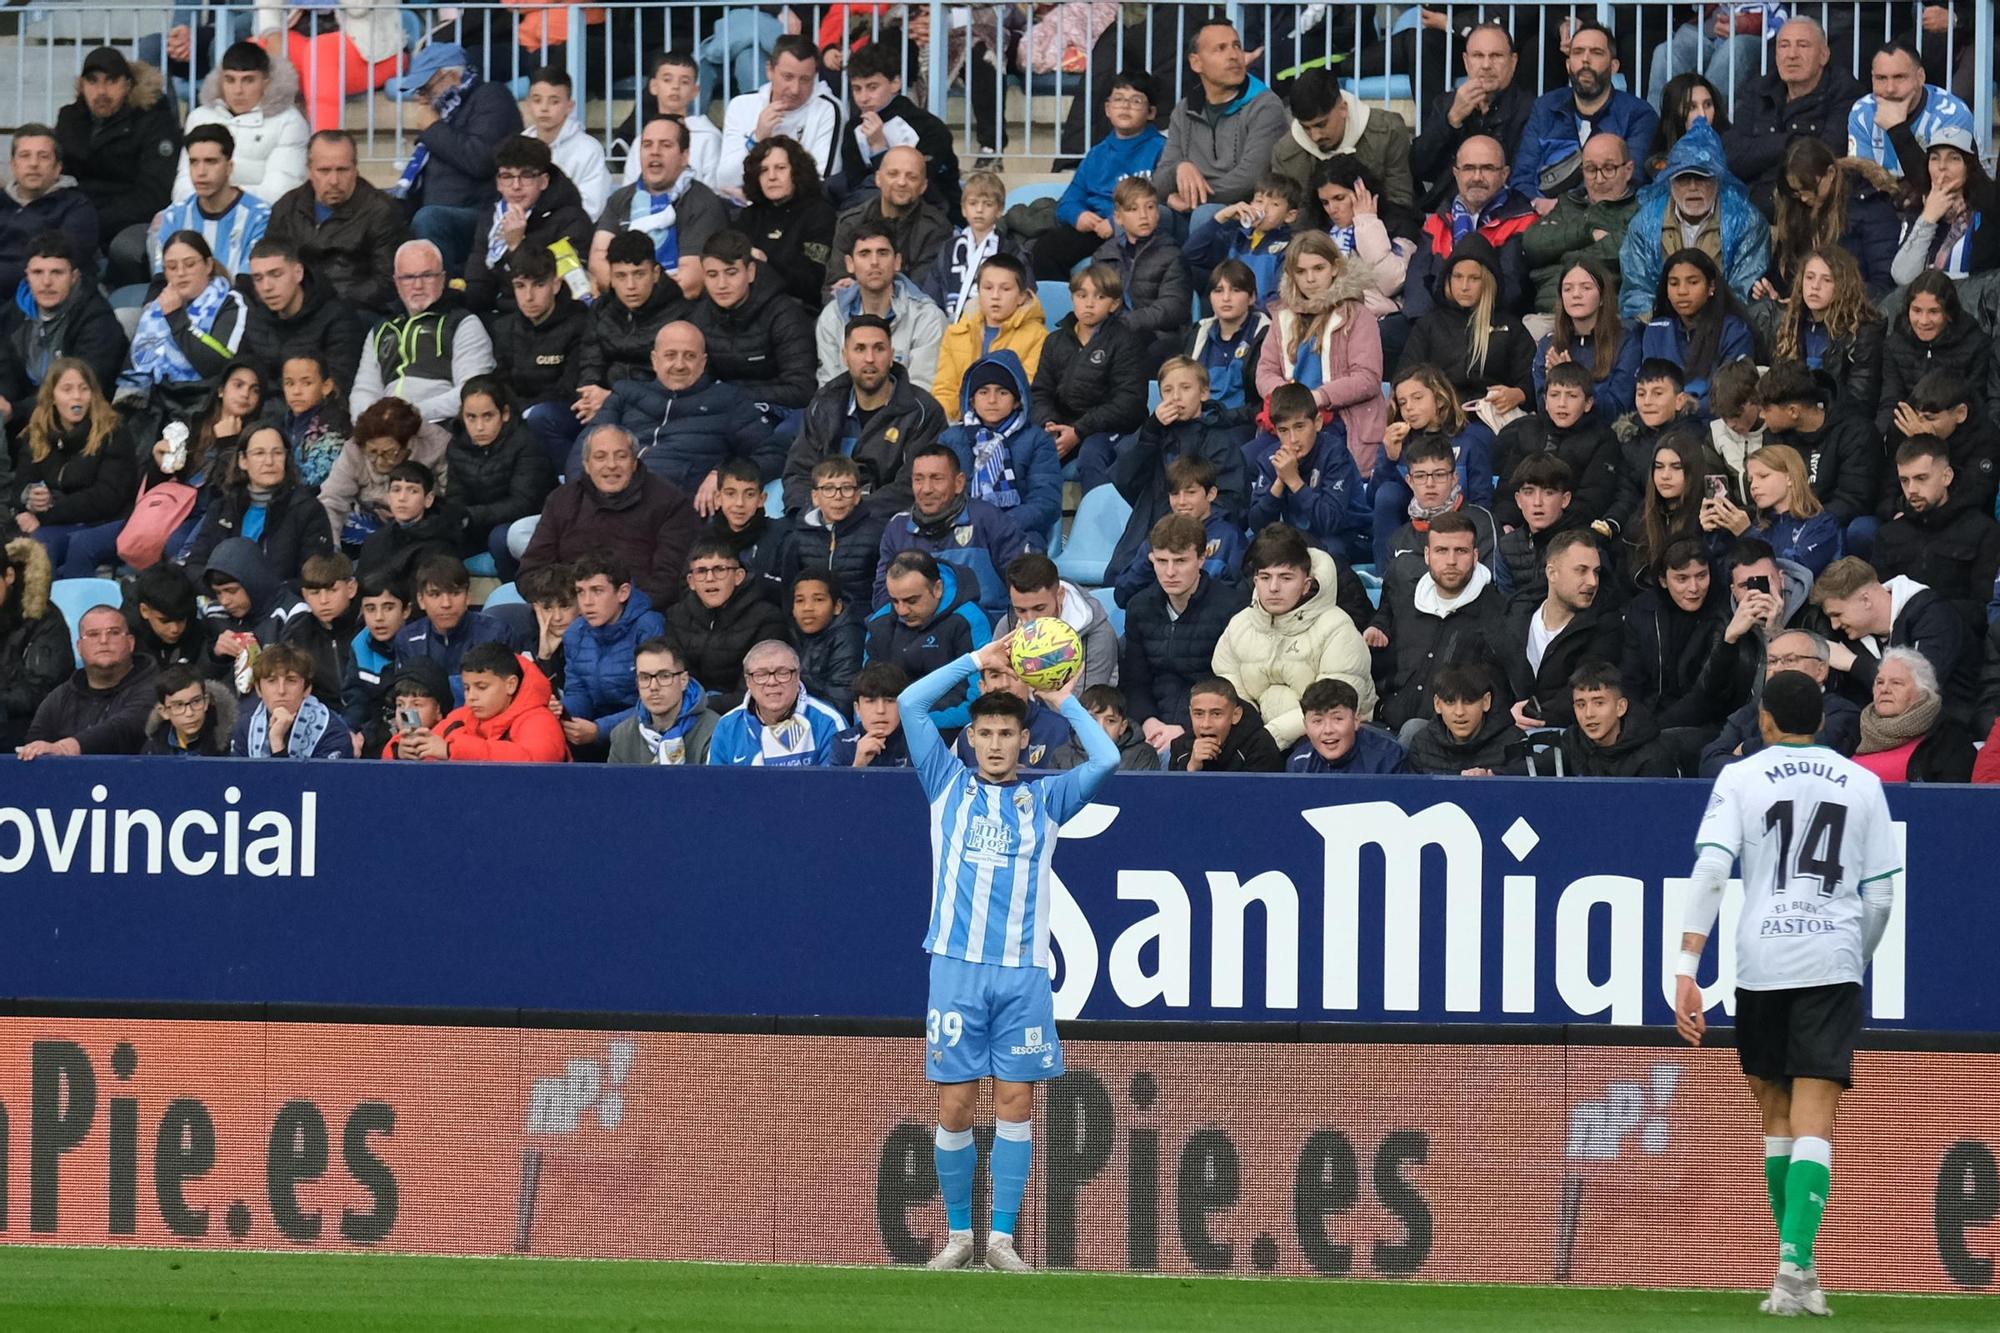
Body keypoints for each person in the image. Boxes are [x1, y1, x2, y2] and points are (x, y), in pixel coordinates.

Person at [1672, 669, 1900, 1318]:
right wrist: (1852, 956)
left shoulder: (1740, 777)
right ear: (1823, 721)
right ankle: (1796, 1262)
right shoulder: (1862, 783)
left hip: (1762, 959)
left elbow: (1712, 868)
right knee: (1816, 1118)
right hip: (1830, 957)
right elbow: (1882, 892)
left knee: (1774, 1113)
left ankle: (1793, 1266)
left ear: (1765, 720)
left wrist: (1687, 965)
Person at [898, 631, 1115, 1271]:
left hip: (1022, 975)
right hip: (955, 969)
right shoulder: (945, 785)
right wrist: (976, 661)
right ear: (971, 740)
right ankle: (959, 1237)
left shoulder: (1046, 798)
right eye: (985, 734)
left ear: (1024, 740)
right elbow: (910, 705)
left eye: (1006, 734)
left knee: (1016, 1102)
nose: (995, 744)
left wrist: (1062, 697)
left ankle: (1001, 1240)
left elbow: (1103, 760)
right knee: (956, 1103)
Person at [1213, 526, 1374, 750]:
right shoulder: (1239, 626)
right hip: (1257, 743)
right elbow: (1229, 690)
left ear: (1306, 584)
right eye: (1265, 577)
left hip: (1329, 746)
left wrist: (1267, 739)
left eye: (1286, 578)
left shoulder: (1338, 628)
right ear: (1255, 581)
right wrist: (1248, 734)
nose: (1274, 588)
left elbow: (1334, 705)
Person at [1252, 233, 1387, 490]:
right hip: (1288, 422)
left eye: (1318, 268)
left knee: (1314, 476)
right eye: (1301, 271)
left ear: (1335, 268)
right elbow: (1265, 370)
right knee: (1246, 462)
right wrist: (1286, 398)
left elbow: (1367, 378)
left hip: (1340, 423)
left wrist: (1316, 397)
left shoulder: (1357, 315)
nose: (1310, 279)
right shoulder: (1282, 317)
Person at [785, 315, 946, 521]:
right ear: (845, 356)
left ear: (891, 356)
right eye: (860, 349)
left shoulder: (922, 411)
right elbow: (799, 471)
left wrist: (850, 511)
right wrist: (809, 515)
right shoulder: (824, 403)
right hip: (823, 521)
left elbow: (911, 486)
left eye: (878, 349)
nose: (869, 358)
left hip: (887, 524)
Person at [520, 425, 701, 609]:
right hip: (568, 610)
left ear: (634, 462)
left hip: (636, 615)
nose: (611, 465)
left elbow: (668, 580)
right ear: (586, 465)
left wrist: (616, 611)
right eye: (600, 457)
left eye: (621, 456)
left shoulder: (670, 501)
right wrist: (570, 605)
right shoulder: (562, 499)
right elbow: (532, 570)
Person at [380, 43, 524, 273]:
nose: (421, 99)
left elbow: (480, 160)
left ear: (450, 77)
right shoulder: (444, 112)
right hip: (439, 209)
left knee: (430, 219)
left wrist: (433, 128)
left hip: (481, 213)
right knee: (376, 213)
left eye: (425, 89)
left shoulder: (492, 96)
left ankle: (440, 298)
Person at [1364, 510, 1510, 734]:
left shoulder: (1497, 613)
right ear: (1426, 555)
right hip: (1385, 725)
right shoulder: (1405, 598)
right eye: (1441, 551)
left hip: (1451, 741)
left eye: (1461, 551)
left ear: (1476, 555)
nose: (1451, 561)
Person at [1106, 357, 1249, 580]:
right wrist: (1151, 430)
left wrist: (1191, 523)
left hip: (1203, 535)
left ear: (1203, 393)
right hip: (1151, 530)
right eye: (1168, 390)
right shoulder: (1153, 433)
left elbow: (1234, 499)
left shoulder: (1220, 439)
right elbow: (1124, 477)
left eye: (1185, 388)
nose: (1176, 397)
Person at [1120, 514, 1249, 749]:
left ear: (1202, 558)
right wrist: (1149, 723)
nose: (1169, 572)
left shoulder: (1232, 608)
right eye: (1161, 561)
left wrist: (1186, 730)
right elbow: (1135, 682)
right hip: (1150, 729)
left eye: (1180, 561)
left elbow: (1236, 688)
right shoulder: (1139, 607)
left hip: (1209, 730)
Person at [1151, 20, 1289, 236]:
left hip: (1244, 213)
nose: (1234, 55)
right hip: (1193, 209)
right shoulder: (1185, 110)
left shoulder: (1265, 106)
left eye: (1236, 46)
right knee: (1146, 214)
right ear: (1196, 63)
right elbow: (1160, 181)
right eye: (1221, 48)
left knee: (1206, 216)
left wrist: (1192, 199)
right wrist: (1180, 167)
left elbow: (1249, 179)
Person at [1619, 121, 1769, 320]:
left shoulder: (1747, 222)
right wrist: (1666, 328)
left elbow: (1744, 291)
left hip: (1723, 329)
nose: (1692, 187)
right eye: (1683, 178)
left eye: (1701, 178)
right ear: (1670, 182)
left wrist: (1704, 328)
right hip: (1660, 327)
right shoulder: (1645, 224)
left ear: (1718, 179)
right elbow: (1637, 289)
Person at [56, 48, 180, 284]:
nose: (101, 91)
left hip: (129, 224)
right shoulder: (69, 119)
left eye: (111, 81)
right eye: (92, 82)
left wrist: (92, 221)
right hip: (76, 220)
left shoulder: (154, 121)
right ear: (82, 85)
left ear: (128, 84)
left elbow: (154, 194)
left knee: (125, 249)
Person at [1811, 555, 1975, 724]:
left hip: (1949, 731)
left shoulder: (1934, 616)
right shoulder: (1853, 637)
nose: (1834, 625)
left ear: (1866, 600)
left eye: (1837, 615)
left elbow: (1920, 690)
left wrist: (1853, 663)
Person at [12, 358, 137, 578]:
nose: (76, 397)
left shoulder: (113, 432)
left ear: (93, 395)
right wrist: (28, 500)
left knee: (81, 546)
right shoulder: (37, 433)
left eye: (83, 389)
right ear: (52, 397)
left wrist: (48, 511)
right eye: (67, 389)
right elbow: (21, 485)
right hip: (59, 522)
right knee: (38, 544)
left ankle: (77, 610)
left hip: (107, 521)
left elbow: (106, 498)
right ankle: (35, 608)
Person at [350, 241, 497, 426]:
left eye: (427, 275)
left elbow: (472, 392)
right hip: (384, 431)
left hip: (438, 426)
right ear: (396, 282)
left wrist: (410, 415)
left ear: (442, 278)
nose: (418, 285)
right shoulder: (381, 329)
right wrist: (369, 422)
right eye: (408, 277)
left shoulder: (463, 323)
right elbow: (364, 390)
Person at [1035, 75, 1167, 280]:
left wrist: (1117, 223)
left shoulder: (1161, 150)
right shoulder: (1097, 153)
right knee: (1045, 249)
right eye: (1119, 99)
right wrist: (1079, 215)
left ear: (1151, 112)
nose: (1125, 106)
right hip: (1095, 229)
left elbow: (1161, 204)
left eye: (1136, 100)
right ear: (1107, 109)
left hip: (1138, 230)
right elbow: (1068, 200)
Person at [264, 130, 408, 316]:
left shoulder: (382, 211)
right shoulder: (286, 208)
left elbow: (387, 283)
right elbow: (270, 264)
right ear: (309, 170)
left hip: (355, 312)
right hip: (295, 310)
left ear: (356, 169)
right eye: (324, 170)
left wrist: (325, 301)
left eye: (342, 170)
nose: (334, 180)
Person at [1722, 17, 1862, 206]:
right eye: (1784, 46)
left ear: (1824, 55)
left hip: (1806, 209)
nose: (1791, 55)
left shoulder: (1844, 92)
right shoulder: (1759, 90)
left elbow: (1823, 158)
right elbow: (1732, 155)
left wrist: (1761, 152)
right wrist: (1788, 143)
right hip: (1751, 207)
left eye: (1803, 46)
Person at [1515, 21, 1659, 203]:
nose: (1585, 59)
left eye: (1596, 52)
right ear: (1568, 64)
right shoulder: (1544, 108)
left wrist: (1566, 210)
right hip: (1542, 220)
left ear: (1614, 66)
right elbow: (1522, 178)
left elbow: (1631, 181)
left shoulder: (1638, 115)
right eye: (1577, 52)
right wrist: (1537, 204)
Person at [589, 116, 730, 300]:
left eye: (665, 145)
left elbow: (690, 282)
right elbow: (598, 260)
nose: (654, 152)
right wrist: (630, 292)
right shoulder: (620, 199)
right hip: (622, 308)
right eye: (647, 145)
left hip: (680, 313)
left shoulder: (703, 202)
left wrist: (632, 291)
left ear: (684, 156)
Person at [0, 233, 123, 441]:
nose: (46, 282)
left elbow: (85, 389)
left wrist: (15, 410)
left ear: (74, 276)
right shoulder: (13, 314)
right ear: (27, 275)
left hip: (81, 426)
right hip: (21, 422)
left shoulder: (97, 319)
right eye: (38, 272)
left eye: (57, 272)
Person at [1873, 438, 2000, 638]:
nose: (1911, 489)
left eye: (1921, 478)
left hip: (1961, 640)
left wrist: (1926, 614)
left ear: (1947, 476)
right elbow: (1879, 602)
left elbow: (1984, 608)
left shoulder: (1983, 531)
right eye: (1904, 480)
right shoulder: (1889, 534)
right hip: (1899, 641)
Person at [1399, 233, 1534, 419]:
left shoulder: (1511, 327)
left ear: (1488, 280)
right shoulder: (1429, 325)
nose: (1464, 286)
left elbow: (1532, 380)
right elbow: (1405, 377)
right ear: (1448, 279)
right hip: (1440, 421)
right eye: (1457, 276)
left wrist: (1519, 394)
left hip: (1493, 420)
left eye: (1474, 278)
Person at [688, 229, 817, 421]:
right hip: (717, 415)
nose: (721, 284)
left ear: (750, 272)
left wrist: (731, 395)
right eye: (712, 275)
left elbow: (802, 389)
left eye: (731, 273)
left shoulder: (785, 315)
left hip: (777, 416)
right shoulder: (698, 316)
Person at [113, 231, 251, 412]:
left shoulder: (231, 302)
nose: (181, 273)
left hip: (204, 403)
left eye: (190, 264)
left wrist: (175, 317)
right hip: (155, 404)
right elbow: (135, 364)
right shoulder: (155, 310)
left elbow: (217, 364)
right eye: (171, 267)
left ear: (208, 265)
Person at [1403, 136, 1537, 321]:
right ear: (1456, 173)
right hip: (1438, 322)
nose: (1477, 177)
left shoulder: (1523, 220)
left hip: (1494, 322)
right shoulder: (1438, 220)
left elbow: (1512, 289)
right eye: (1469, 168)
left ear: (1505, 174)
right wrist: (1426, 326)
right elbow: (1418, 282)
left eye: (1487, 168)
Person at [460, 137, 592, 320]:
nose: (516, 186)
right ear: (498, 183)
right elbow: (479, 284)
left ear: (544, 181)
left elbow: (567, 288)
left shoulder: (571, 219)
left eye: (526, 176)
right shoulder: (491, 218)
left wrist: (516, 246)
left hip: (553, 321)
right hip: (501, 319)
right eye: (507, 176)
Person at [475, 270, 579, 504]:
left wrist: (525, 411)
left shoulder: (578, 321)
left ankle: (570, 493)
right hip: (520, 411)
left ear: (555, 284)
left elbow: (570, 386)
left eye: (538, 285)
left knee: (539, 417)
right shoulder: (504, 327)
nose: (528, 296)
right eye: (520, 286)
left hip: (565, 410)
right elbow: (501, 382)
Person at [1756, 361, 1880, 551]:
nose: (1761, 416)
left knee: (1862, 529)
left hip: (1836, 524)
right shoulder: (1774, 436)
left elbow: (1853, 500)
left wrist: (1810, 526)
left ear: (1793, 412)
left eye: (1766, 409)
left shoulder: (1855, 431)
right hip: (1791, 522)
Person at [1699, 627, 1860, 775]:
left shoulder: (1841, 712)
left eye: (1790, 660)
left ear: (1821, 670)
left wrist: (1746, 747)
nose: (1777, 669)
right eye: (1772, 661)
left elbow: (1807, 756)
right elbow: (1710, 764)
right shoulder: (1749, 714)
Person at [1410, 24, 1534, 214]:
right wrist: (1452, 119)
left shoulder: (1530, 108)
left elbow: (1520, 174)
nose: (1486, 65)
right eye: (1478, 56)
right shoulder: (1446, 103)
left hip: (1505, 211)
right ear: (1466, 62)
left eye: (1496, 56)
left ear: (1513, 61)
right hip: (1446, 209)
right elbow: (1419, 166)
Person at [187, 424, 336, 581]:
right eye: (259, 453)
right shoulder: (222, 508)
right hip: (222, 600)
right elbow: (195, 565)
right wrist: (220, 592)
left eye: (277, 453)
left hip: (281, 602)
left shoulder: (308, 510)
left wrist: (260, 595)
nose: (269, 461)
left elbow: (312, 577)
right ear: (243, 460)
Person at [572, 232, 691, 429]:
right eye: (621, 276)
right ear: (610, 276)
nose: (630, 286)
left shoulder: (681, 313)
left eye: (639, 274)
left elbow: (674, 384)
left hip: (654, 414)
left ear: (655, 273)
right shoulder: (601, 309)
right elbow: (590, 362)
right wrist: (589, 395)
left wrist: (614, 400)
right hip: (602, 407)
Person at [944, 352, 1064, 547]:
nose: (992, 400)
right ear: (971, 400)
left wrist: (997, 524)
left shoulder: (1037, 440)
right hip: (959, 530)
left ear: (1018, 400)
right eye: (983, 392)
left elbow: (1046, 501)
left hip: (1019, 531)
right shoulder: (950, 439)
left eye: (1002, 392)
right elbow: (940, 493)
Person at [1505, 528, 1621, 728]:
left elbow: (1584, 689)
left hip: (1565, 736)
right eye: (1581, 570)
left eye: (1596, 572)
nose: (1593, 582)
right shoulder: (1515, 615)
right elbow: (1492, 676)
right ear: (1552, 572)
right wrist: (1505, 716)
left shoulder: (1605, 626)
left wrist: (1528, 716)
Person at [1759, 140, 1898, 303]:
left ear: (1830, 173)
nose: (1804, 198)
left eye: (1810, 188)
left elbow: (1884, 285)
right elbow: (1784, 274)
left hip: (1851, 313)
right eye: (1797, 192)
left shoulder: (1870, 206)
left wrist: (1831, 297)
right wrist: (1770, 291)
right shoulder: (1795, 208)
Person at [865, 551, 992, 731]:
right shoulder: (879, 623)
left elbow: (977, 699)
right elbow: (867, 693)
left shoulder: (970, 620)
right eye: (895, 600)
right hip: (890, 733)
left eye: (911, 600)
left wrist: (912, 722)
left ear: (937, 589)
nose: (902, 610)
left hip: (951, 733)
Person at [815, 222, 948, 393]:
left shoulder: (927, 317)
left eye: (883, 253)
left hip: (907, 417)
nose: (874, 262)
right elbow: (829, 389)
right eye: (864, 254)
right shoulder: (832, 317)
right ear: (850, 264)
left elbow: (923, 392)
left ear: (897, 261)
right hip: (846, 416)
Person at [1241, 382, 1367, 563]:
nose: (1293, 439)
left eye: (1299, 427)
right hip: (1299, 537)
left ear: (1317, 422)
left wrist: (1293, 481)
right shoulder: (1270, 458)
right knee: (1253, 551)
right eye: (1284, 430)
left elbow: (1330, 522)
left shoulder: (1334, 453)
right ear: (1275, 431)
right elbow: (1258, 525)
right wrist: (1279, 481)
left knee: (1327, 552)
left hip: (1349, 535)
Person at [174, 40, 308, 207]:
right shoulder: (199, 117)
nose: (238, 90)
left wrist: (221, 199)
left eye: (248, 80)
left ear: (266, 82)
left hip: (264, 223)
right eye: (230, 80)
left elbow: (281, 191)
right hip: (201, 216)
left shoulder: (289, 121)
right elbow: (183, 186)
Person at [1269, 69, 1415, 221]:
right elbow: (1286, 216)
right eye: (1306, 128)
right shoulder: (1285, 153)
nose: (1315, 136)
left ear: (1343, 108)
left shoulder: (1388, 131)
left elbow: (1399, 201)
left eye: (1321, 124)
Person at [1494, 362, 1620, 535]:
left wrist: (1553, 532)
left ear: (1588, 403)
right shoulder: (1527, 430)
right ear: (1545, 401)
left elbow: (1594, 497)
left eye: (1572, 396)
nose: (1562, 403)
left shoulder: (1603, 438)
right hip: (1523, 530)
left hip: (1573, 533)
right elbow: (1509, 488)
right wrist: (1506, 523)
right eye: (1554, 395)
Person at [17, 604, 158, 758]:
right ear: (79, 647)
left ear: (131, 643)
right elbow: (35, 743)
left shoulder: (156, 687)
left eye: (114, 633)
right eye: (93, 634)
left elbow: (128, 726)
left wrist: (67, 747)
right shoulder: (59, 697)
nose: (104, 640)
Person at [1620, 535, 1728, 736]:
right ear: (1663, 580)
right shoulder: (1643, 610)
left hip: (1703, 725)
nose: (1694, 588)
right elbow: (1631, 679)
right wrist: (1633, 725)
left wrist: (1654, 729)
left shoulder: (1722, 614)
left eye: (1702, 576)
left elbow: (1707, 694)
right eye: (1682, 579)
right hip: (1647, 718)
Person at [662, 537, 788, 708]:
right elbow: (676, 680)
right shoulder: (676, 617)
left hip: (743, 713)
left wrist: (704, 706)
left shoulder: (767, 618)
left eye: (719, 569)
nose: (710, 578)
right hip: (689, 710)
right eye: (701, 571)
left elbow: (756, 690)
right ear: (691, 582)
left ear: (738, 576)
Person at [832, 41, 960, 207]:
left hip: (931, 214)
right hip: (867, 212)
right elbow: (854, 181)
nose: (863, 98)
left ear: (895, 83)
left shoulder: (928, 127)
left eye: (872, 87)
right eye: (857, 89)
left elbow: (919, 187)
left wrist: (879, 147)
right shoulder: (853, 127)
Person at [318, 395, 450, 553]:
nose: (380, 461)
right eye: (372, 452)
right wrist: (330, 551)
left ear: (408, 442)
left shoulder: (436, 444)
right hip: (370, 526)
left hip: (424, 527)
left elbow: (452, 497)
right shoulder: (353, 450)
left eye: (389, 453)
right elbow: (332, 499)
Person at [1522, 134, 1640, 311]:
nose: (1599, 180)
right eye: (1591, 169)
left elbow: (1623, 249)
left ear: (1628, 170)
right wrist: (1587, 233)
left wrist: (1564, 257)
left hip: (1605, 316)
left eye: (1609, 168)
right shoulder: (1568, 203)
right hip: (1549, 312)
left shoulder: (1639, 208)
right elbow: (1533, 243)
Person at [1767, 250, 1884, 427]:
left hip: (1841, 427)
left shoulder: (1863, 332)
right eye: (1809, 277)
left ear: (1844, 286)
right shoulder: (1788, 323)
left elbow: (1860, 401)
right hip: (1793, 423)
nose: (1815, 286)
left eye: (1827, 280)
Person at [716, 36, 840, 202]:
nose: (795, 89)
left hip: (801, 212)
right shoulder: (741, 105)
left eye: (805, 79)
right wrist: (757, 138)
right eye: (788, 77)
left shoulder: (828, 109)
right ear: (770, 71)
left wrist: (753, 198)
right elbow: (725, 180)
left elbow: (822, 182)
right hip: (745, 212)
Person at [147, 124, 273, 283]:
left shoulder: (260, 216)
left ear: (229, 167)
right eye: (194, 162)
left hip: (239, 304)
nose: (201, 172)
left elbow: (250, 285)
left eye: (210, 162)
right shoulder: (174, 216)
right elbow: (161, 281)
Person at [1876, 272, 1992, 439]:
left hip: (1958, 436)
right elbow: (1891, 400)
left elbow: (1975, 404)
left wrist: (1931, 429)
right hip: (1907, 432)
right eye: (1916, 310)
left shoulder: (1976, 344)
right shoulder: (1894, 344)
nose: (1923, 321)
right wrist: (1881, 440)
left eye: (1933, 311)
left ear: (1949, 313)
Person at [242, 239, 364, 397]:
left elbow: (336, 386)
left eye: (276, 274)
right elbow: (242, 370)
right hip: (262, 412)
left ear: (298, 273)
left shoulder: (338, 317)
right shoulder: (256, 317)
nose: (267, 287)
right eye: (258, 278)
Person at [1640, 248, 1756, 411]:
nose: (1682, 291)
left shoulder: (1734, 331)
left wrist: (1695, 406)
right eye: (1673, 283)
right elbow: (1647, 384)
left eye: (1693, 282)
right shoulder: (1656, 330)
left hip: (1713, 424)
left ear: (1711, 286)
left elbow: (1734, 393)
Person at [1846, 39, 1973, 180]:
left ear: (1920, 77)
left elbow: (1943, 183)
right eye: (1881, 78)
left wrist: (1897, 129)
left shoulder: (1952, 114)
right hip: (1881, 199)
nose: (1890, 89)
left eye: (1899, 77)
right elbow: (1860, 181)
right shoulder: (1862, 111)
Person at [989, 553, 1118, 691]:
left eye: (1039, 608)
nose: (1030, 620)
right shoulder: (1007, 626)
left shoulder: (1099, 636)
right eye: (1021, 610)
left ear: (1060, 595)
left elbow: (1085, 706)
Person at [737, 136, 839, 308]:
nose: (771, 177)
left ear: (797, 171)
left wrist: (766, 262)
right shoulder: (748, 216)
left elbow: (812, 282)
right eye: (763, 170)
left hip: (797, 309)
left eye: (780, 168)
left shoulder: (819, 214)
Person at [1889, 125, 2000, 284]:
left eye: (1953, 158)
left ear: (1969, 167)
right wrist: (1928, 218)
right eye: (1935, 158)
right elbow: (1902, 276)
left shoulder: (1989, 210)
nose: (1942, 166)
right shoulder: (1916, 210)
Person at [707, 638, 845, 766]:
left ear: (797, 676)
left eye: (782, 673)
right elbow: (714, 787)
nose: (772, 682)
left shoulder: (828, 722)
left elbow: (834, 787)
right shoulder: (727, 726)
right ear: (748, 681)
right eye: (760, 675)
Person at [1850, 644, 1974, 783]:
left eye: (1896, 683)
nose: (1884, 689)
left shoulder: (1950, 738)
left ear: (1922, 692)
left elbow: (1950, 799)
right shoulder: (1854, 728)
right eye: (1879, 682)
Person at [1888, 369, 2000, 522]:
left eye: (1930, 418)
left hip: (1963, 522)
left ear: (1960, 414)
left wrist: (1930, 446)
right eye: (1919, 417)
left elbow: (1972, 494)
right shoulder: (1907, 426)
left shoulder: (1986, 438)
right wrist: (1896, 511)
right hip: (1910, 515)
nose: (1920, 425)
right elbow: (1888, 487)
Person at [0, 131, 101, 301]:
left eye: (43, 157)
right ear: (13, 165)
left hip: (49, 302)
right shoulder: (2, 202)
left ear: (57, 168)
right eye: (25, 156)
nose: (33, 164)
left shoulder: (77, 207)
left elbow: (58, 267)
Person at [778, 456, 883, 616]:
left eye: (846, 488)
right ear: (815, 497)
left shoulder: (876, 534)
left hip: (860, 625)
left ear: (857, 496)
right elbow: (789, 593)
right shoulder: (798, 538)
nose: (838, 496)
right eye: (828, 489)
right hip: (813, 627)